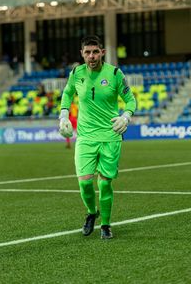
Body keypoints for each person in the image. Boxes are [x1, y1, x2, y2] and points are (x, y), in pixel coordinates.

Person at [59, 35, 136, 239]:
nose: (91, 56)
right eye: (87, 52)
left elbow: (130, 100)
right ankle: (92, 212)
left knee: (104, 184)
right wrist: (63, 115)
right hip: (85, 137)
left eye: (95, 52)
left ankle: (106, 225)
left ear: (102, 52)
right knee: (84, 182)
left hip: (110, 136)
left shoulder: (115, 74)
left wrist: (126, 117)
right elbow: (67, 94)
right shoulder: (76, 73)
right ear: (82, 54)